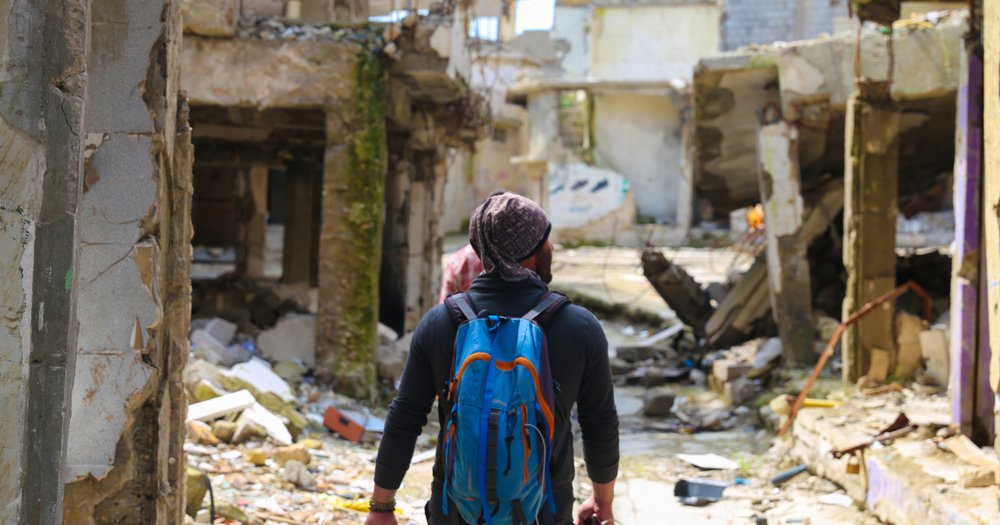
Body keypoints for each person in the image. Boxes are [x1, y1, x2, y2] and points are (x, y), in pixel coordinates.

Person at [366, 192, 619, 525]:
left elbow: (405, 418)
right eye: (546, 239)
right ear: (531, 251)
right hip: (544, 511)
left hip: (454, 510)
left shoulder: (441, 323)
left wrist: (381, 508)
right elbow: (598, 422)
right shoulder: (579, 327)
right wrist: (602, 501)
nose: (552, 248)